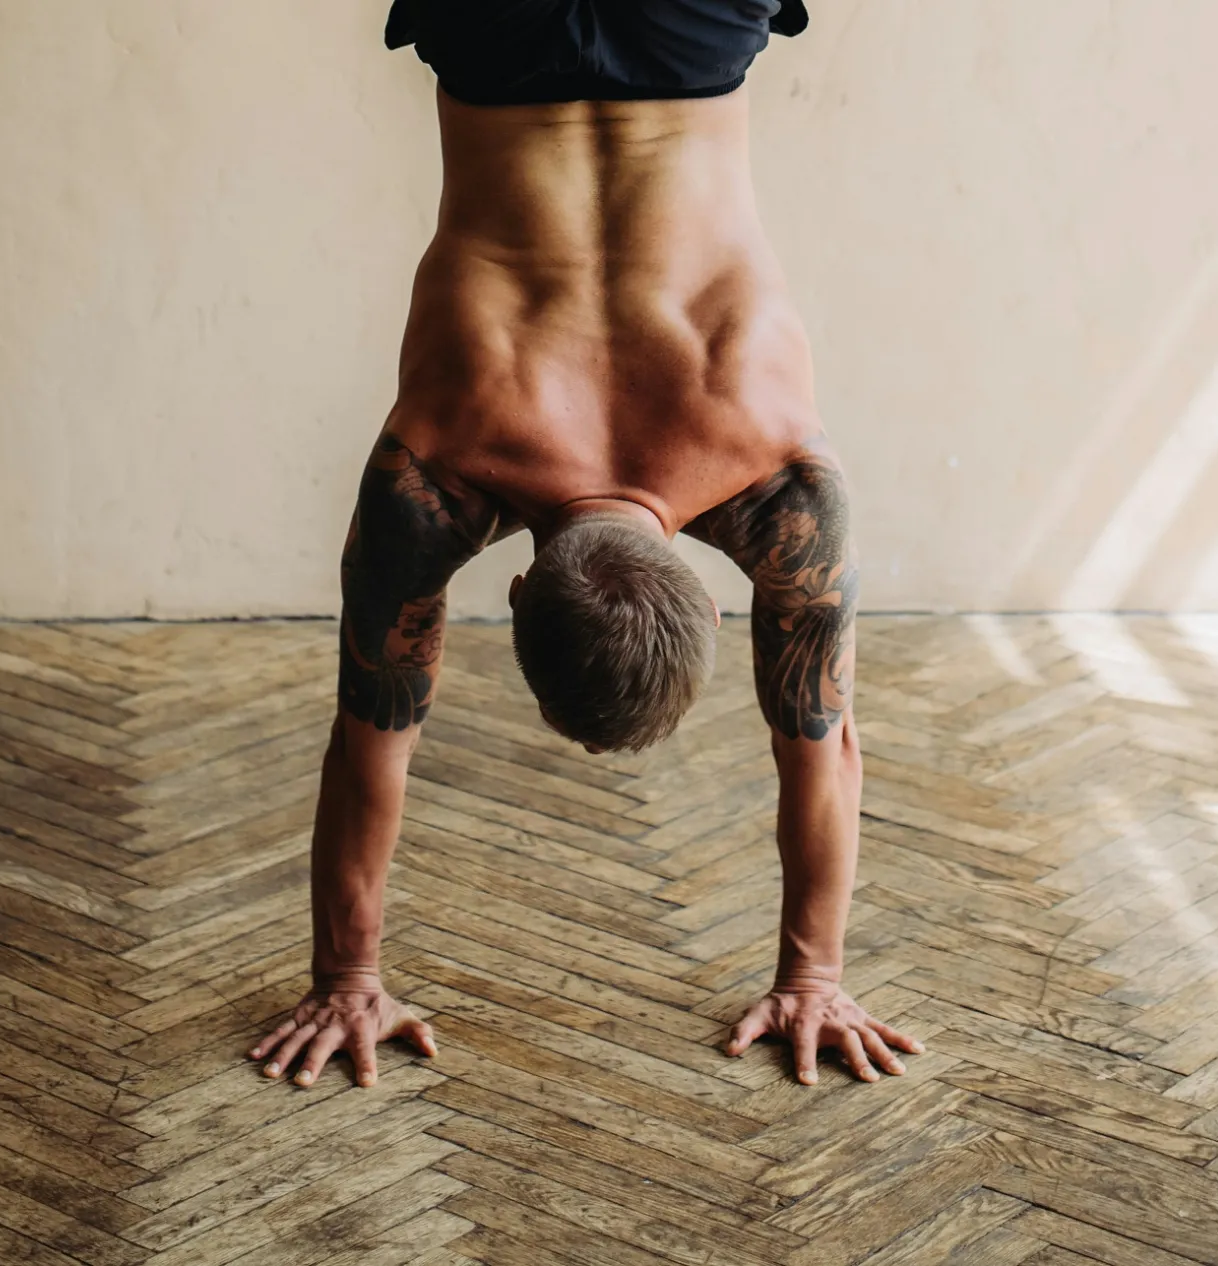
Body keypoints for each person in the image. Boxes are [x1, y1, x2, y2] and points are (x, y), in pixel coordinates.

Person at [249, 0, 922, 1090]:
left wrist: (817, 977)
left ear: (704, 602)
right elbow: (368, 745)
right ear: (520, 595)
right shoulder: (437, 472)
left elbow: (824, 748)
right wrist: (345, 980)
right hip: (495, 37)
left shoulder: (780, 480)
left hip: (693, 37)